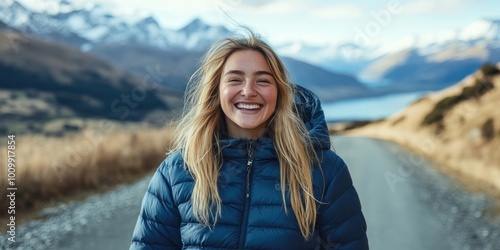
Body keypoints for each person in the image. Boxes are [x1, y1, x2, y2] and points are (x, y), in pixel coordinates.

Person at [130, 32, 368, 250]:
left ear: (280, 93)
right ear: (216, 91)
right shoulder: (176, 171)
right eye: (235, 79)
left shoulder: (325, 170)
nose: (248, 91)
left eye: (263, 80)